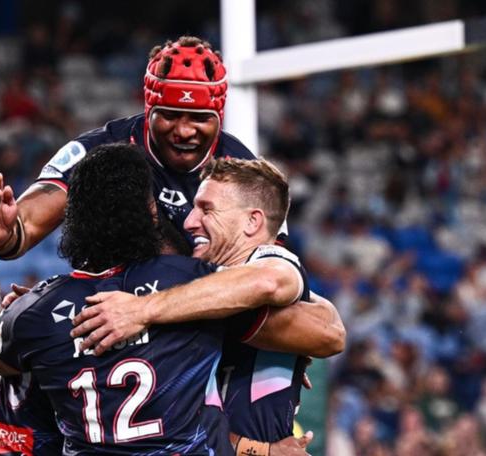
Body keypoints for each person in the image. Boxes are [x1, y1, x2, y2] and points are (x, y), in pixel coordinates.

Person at [0, 144, 311, 455]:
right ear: (151, 213)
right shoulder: (195, 283)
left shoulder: (33, 313)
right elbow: (280, 287)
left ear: (71, 218)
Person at [71, 158, 346, 451]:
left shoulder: (272, 261)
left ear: (253, 221)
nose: (189, 222)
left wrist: (143, 310)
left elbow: (269, 281)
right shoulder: (193, 286)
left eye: (206, 209)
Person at [0, 35, 255, 260]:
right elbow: (33, 216)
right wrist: (8, 234)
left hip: (210, 312)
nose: (183, 131)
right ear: (148, 110)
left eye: (199, 118)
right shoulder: (103, 148)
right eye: (169, 115)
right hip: (113, 303)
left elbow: (271, 270)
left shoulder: (245, 169)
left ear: (218, 118)